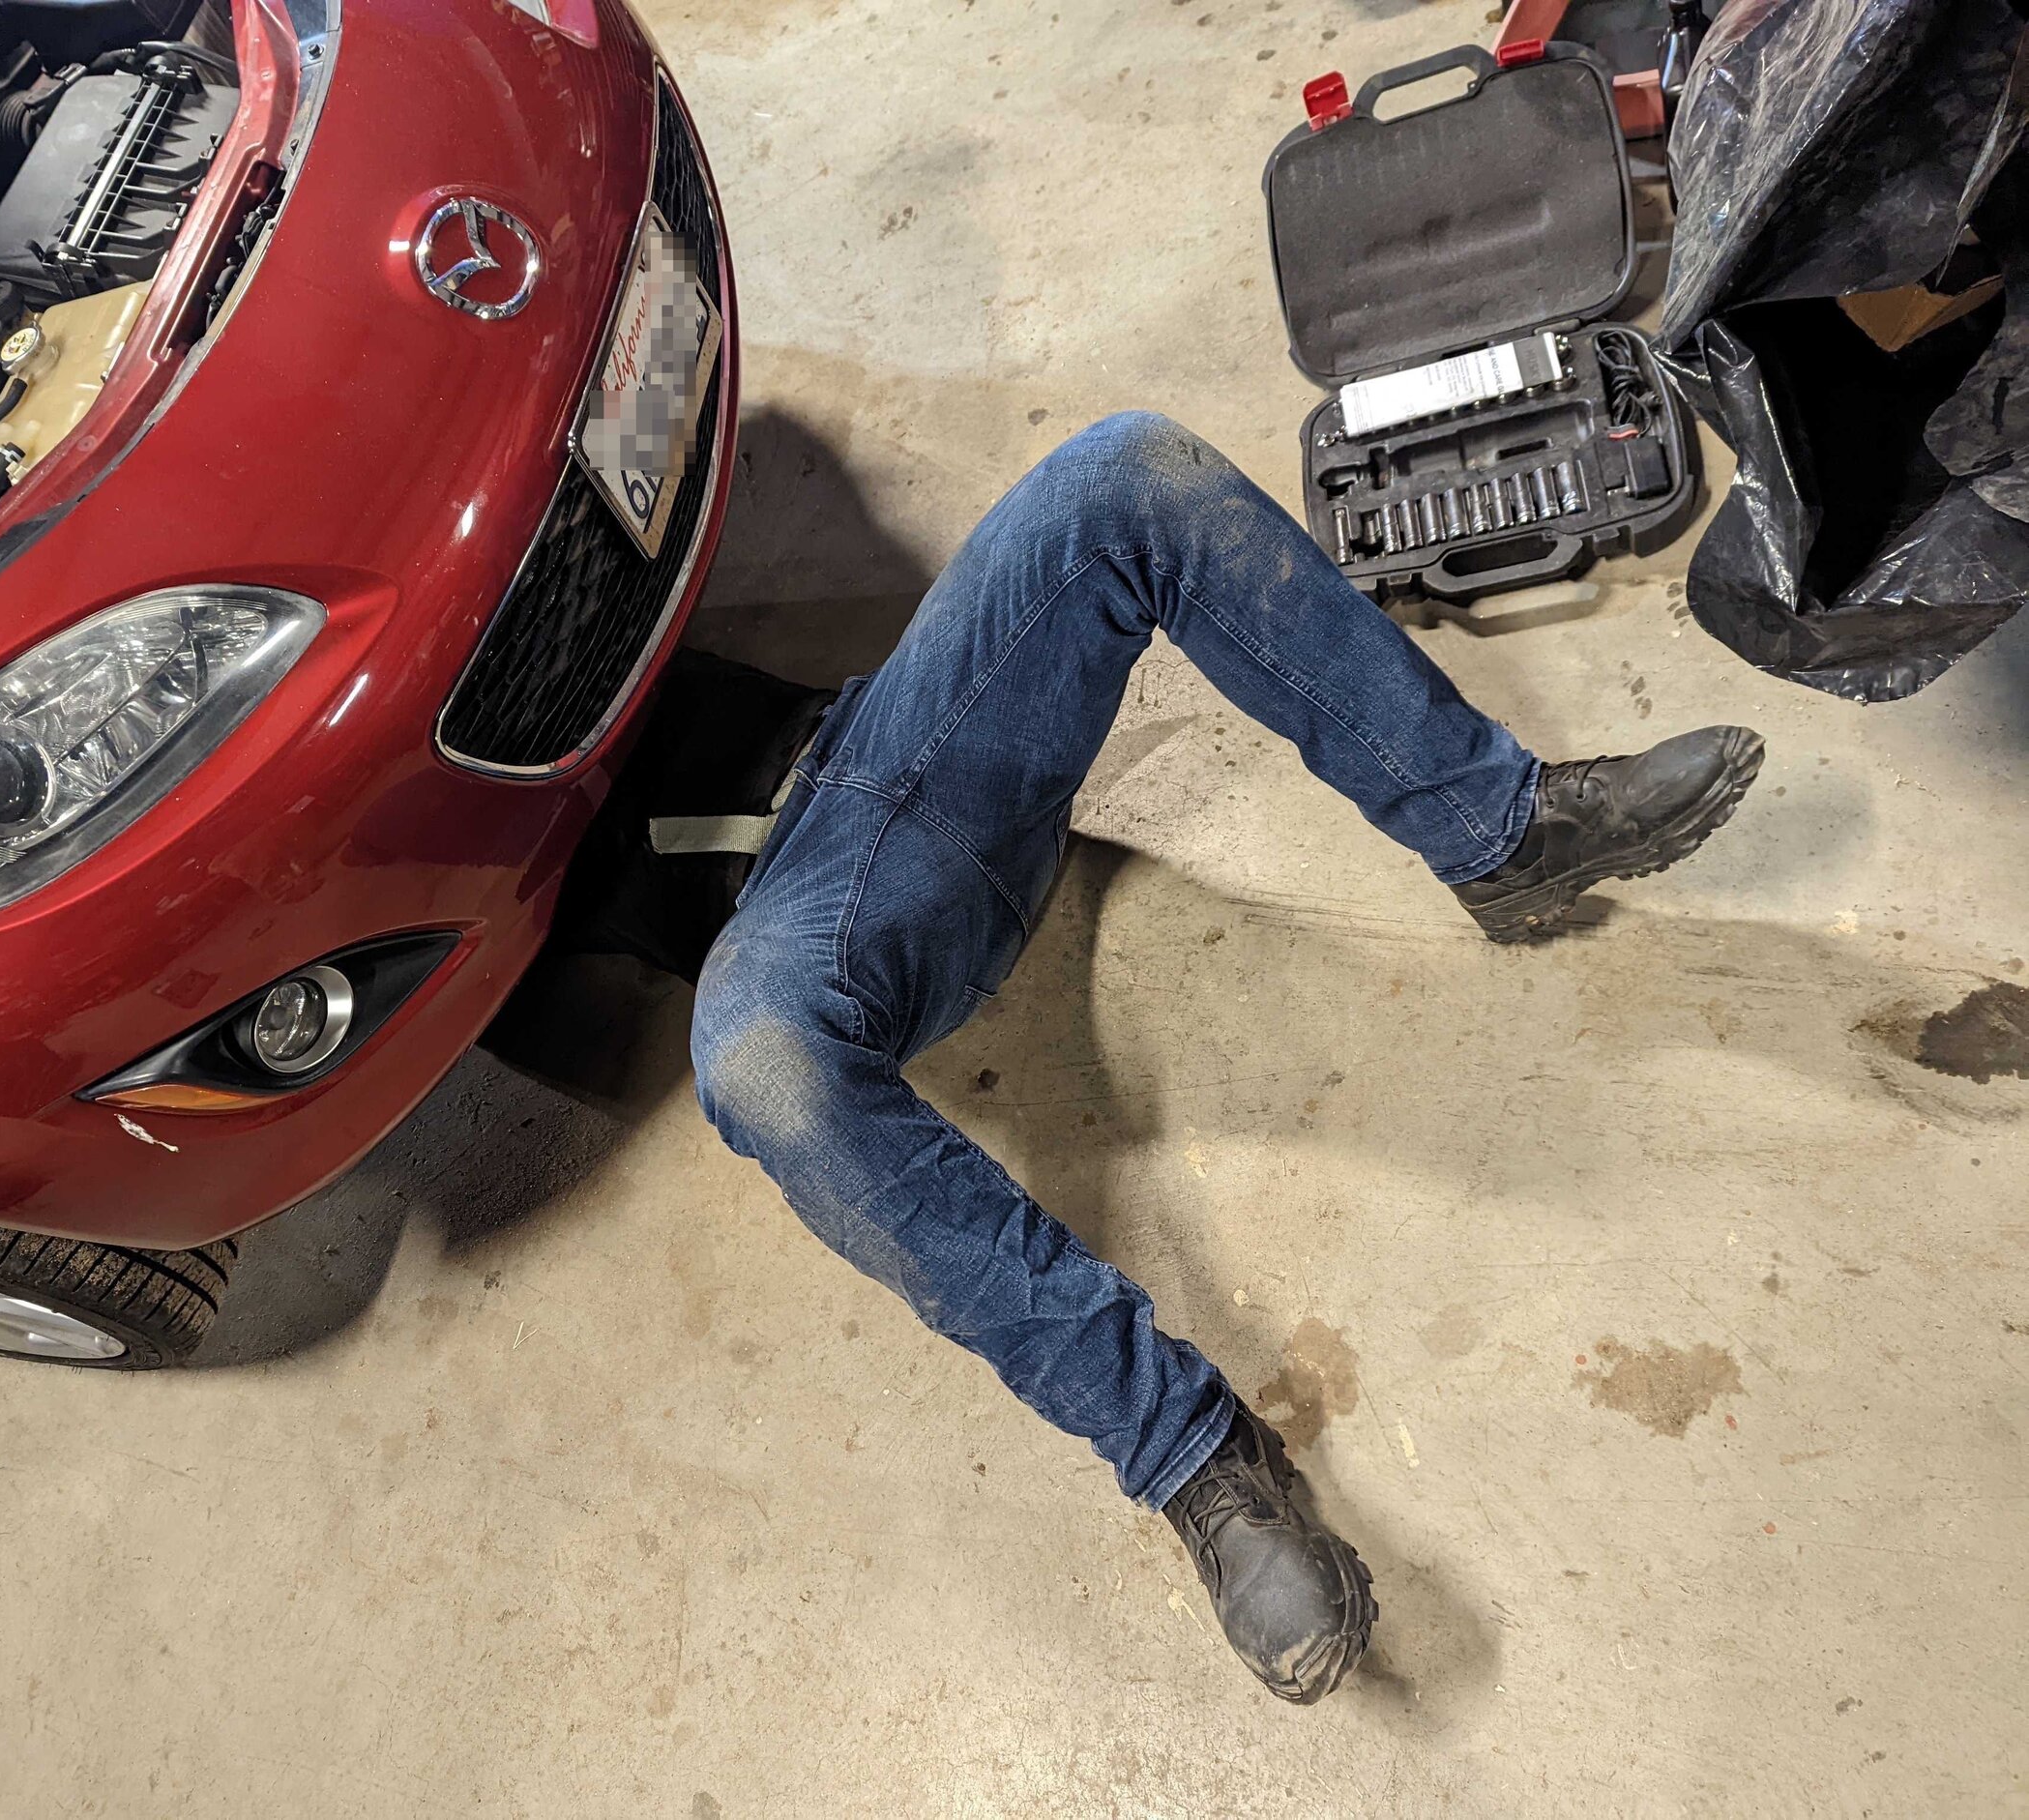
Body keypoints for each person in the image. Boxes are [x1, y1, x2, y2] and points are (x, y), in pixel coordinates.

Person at [679, 413, 1764, 1704]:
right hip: (795, 925)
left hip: (885, 735)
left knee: (1124, 472)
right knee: (754, 1064)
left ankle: (1506, 830)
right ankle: (1199, 1460)